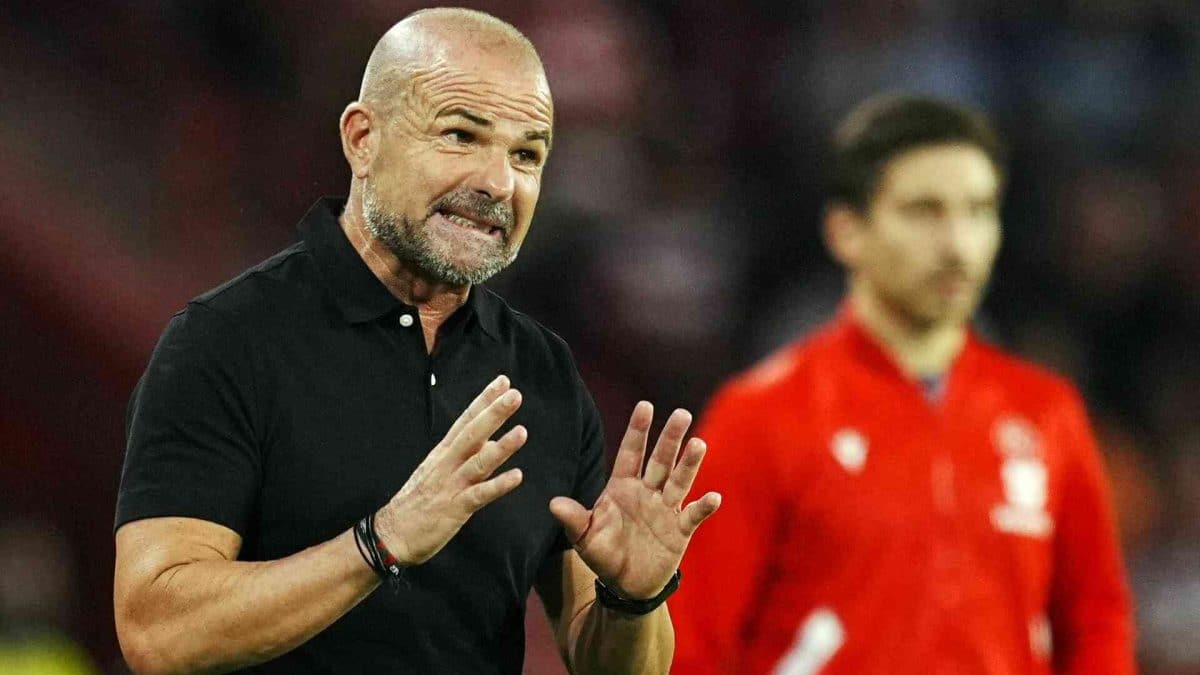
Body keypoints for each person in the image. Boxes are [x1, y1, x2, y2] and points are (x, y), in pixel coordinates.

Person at [112, 8, 721, 674]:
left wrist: (631, 597)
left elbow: (607, 663)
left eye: (527, 154)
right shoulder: (226, 343)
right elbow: (156, 631)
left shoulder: (541, 372)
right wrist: (381, 543)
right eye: (461, 135)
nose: (499, 183)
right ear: (363, 138)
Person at [670, 95, 1134, 674]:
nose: (957, 244)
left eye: (978, 210)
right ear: (847, 232)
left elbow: (1095, 623)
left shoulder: (1046, 412)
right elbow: (693, 646)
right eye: (924, 211)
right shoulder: (761, 415)